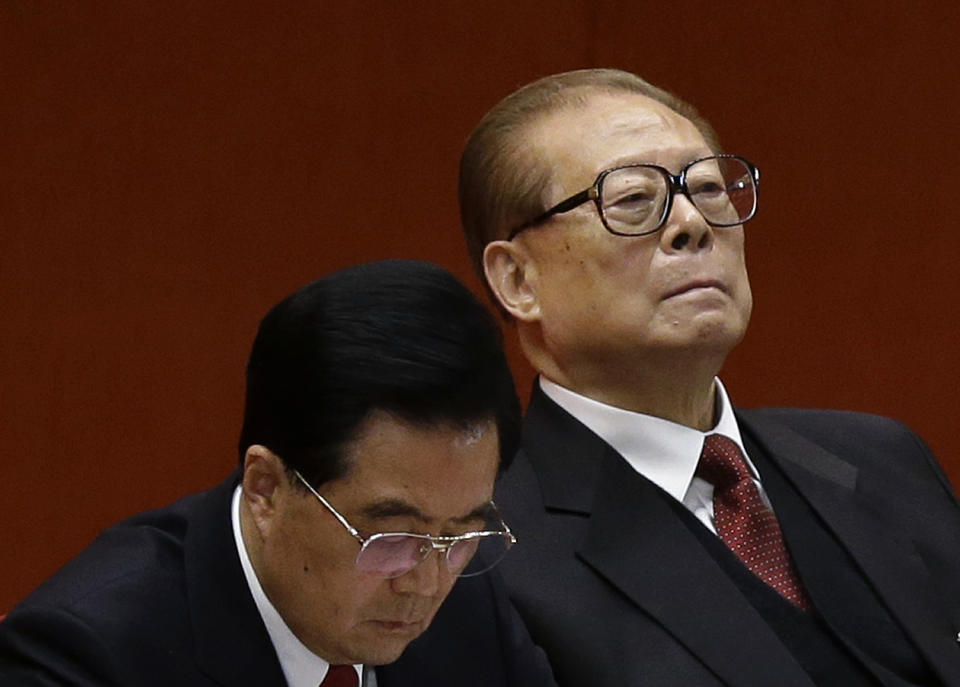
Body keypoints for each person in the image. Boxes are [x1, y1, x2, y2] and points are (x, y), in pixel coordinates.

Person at [458, 68, 960, 686]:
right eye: (635, 200)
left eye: (709, 188)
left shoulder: (883, 459)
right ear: (518, 280)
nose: (692, 223)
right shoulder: (484, 556)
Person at [0, 259, 556, 687]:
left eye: (459, 535)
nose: (426, 584)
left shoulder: (471, 608)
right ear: (266, 488)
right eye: (392, 536)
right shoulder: (87, 658)